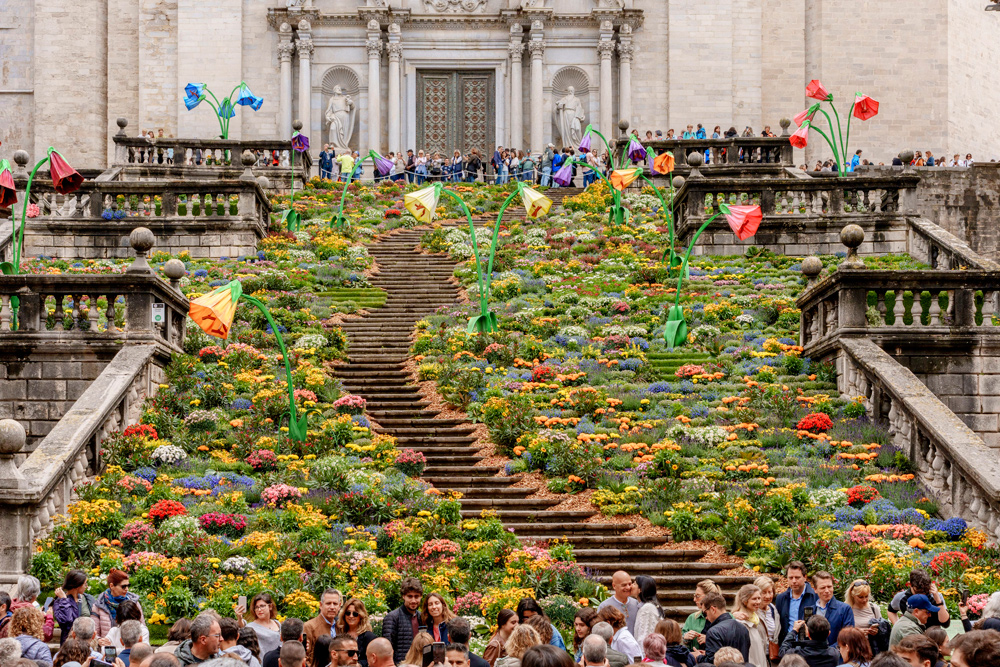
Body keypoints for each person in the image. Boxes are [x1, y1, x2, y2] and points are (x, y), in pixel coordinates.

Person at [694, 594, 749, 665]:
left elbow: (712, 663)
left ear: (713, 609)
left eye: (705, 613)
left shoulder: (713, 632)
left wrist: (698, 657)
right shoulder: (743, 627)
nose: (706, 617)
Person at [775, 562, 818, 648]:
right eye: (790, 578)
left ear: (805, 577)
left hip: (808, 647)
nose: (794, 581)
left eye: (797, 577)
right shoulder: (781, 598)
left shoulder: (815, 597)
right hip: (788, 647)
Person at [382, 577, 423, 664]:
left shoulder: (422, 617)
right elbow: (387, 649)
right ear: (403, 596)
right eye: (410, 596)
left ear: (421, 596)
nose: (413, 600)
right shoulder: (392, 617)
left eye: (416, 596)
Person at [95, 570, 144, 639]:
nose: (127, 589)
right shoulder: (100, 604)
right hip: (109, 646)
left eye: (128, 585)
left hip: (131, 645)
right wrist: (99, 640)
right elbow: (94, 632)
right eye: (123, 586)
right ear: (111, 586)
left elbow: (142, 626)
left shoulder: (134, 602)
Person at [54, 570, 98, 645]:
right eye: (85, 584)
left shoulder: (88, 599)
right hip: (70, 644)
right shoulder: (60, 602)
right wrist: (64, 600)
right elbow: (67, 622)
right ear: (78, 585)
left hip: (89, 643)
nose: (86, 586)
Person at [5, 576, 54, 642]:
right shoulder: (31, 612)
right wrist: (49, 617)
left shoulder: (9, 606)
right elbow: (46, 635)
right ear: (34, 595)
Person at [843, 581, 886, 657]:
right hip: (853, 649)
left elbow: (882, 628)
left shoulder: (874, 608)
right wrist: (856, 633)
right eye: (860, 597)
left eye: (866, 596)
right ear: (853, 595)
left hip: (872, 649)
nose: (864, 600)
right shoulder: (846, 609)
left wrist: (876, 630)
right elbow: (840, 632)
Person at [811, 573, 854, 646]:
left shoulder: (844, 609)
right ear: (815, 589)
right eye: (823, 588)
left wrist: (828, 652)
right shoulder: (810, 611)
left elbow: (848, 637)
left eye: (829, 587)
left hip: (837, 655)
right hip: (813, 655)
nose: (827, 590)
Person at [731, 585, 767, 667]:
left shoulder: (757, 618)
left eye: (759, 598)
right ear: (745, 601)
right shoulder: (740, 622)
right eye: (754, 599)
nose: (758, 602)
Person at [305, 589, 343, 664]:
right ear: (321, 605)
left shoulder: (340, 627)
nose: (332, 607)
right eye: (328, 603)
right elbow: (304, 658)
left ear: (339, 606)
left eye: (335, 604)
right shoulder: (309, 627)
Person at [682, 581, 721, 651]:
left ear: (708, 597)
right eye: (694, 596)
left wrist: (709, 639)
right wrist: (685, 638)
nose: (694, 599)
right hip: (696, 659)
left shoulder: (725, 618)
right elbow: (680, 644)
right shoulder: (692, 618)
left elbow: (730, 641)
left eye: (697, 596)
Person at [336, 598, 376, 667]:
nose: (351, 616)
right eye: (348, 613)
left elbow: (373, 658)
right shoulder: (339, 632)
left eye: (355, 614)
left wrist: (359, 664)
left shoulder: (369, 637)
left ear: (361, 615)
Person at [634, 576, 663, 648]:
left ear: (640, 589)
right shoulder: (645, 606)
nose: (631, 586)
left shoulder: (647, 609)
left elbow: (644, 636)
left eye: (634, 584)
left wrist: (643, 658)